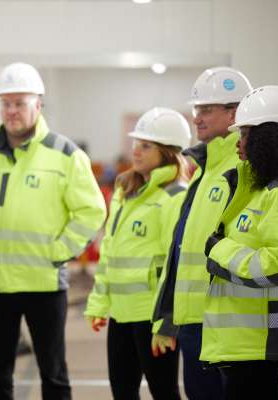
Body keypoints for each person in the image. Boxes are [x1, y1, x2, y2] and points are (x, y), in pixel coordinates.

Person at [0, 62, 107, 400]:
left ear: (38, 105)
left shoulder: (65, 155)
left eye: (20, 103)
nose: (12, 111)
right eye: (6, 103)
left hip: (44, 283)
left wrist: (58, 251)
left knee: (53, 374)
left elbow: (92, 210)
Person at [152, 66, 252, 399]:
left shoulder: (242, 168)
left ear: (234, 113)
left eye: (206, 110)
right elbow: (181, 249)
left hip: (224, 320)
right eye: (197, 110)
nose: (197, 118)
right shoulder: (204, 171)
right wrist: (169, 314)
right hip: (193, 318)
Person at [85, 107, 191, 399]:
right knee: (122, 392)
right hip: (120, 314)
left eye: (146, 145)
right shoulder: (125, 191)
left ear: (168, 152)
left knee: (164, 392)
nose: (136, 151)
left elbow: (177, 265)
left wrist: (167, 322)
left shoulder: (175, 197)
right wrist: (98, 303)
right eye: (136, 143)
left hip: (151, 317)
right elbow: (110, 252)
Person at [200, 85, 278, 400]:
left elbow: (274, 267)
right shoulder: (257, 189)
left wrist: (219, 249)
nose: (239, 143)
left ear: (270, 139)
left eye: (245, 134)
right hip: (242, 344)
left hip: (258, 344)